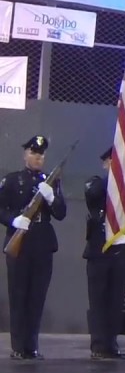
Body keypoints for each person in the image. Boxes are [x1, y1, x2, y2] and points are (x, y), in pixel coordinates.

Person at [0, 135, 67, 360]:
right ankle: (18, 346)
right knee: (19, 295)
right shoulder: (12, 180)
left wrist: (51, 198)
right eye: (34, 154)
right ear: (25, 154)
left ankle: (32, 345)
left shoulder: (51, 181)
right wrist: (13, 220)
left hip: (42, 243)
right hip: (20, 241)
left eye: (41, 155)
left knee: (37, 297)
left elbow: (61, 213)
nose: (38, 158)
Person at [85, 147, 125, 359]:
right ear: (106, 163)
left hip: (121, 251)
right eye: (113, 161)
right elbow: (92, 195)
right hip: (99, 251)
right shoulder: (96, 183)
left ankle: (111, 343)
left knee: (115, 300)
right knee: (98, 300)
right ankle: (98, 344)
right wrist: (114, 178)